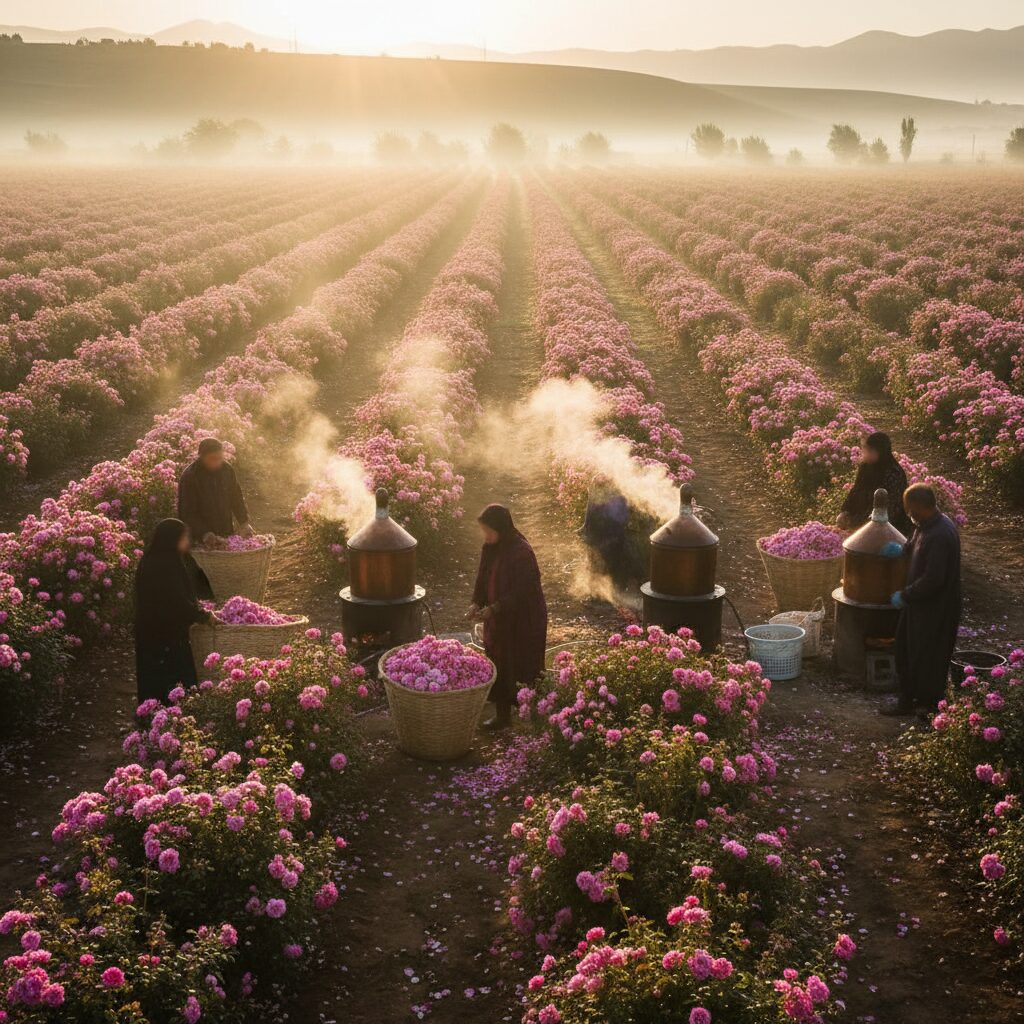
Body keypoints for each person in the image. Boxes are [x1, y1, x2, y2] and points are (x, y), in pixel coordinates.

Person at [883, 484, 962, 718]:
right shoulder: (926, 525)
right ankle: (907, 700)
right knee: (906, 650)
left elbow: (933, 579)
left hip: (937, 608)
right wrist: (902, 550)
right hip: (919, 605)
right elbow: (914, 543)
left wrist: (905, 595)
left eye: (910, 510)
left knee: (930, 657)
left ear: (920, 508)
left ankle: (929, 707)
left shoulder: (940, 534)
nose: (909, 515)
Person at [469, 504, 548, 729]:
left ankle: (537, 715)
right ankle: (502, 717)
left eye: (488, 530)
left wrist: (495, 608)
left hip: (524, 619)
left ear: (501, 528)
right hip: (500, 619)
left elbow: (524, 591)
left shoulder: (521, 552)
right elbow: (483, 578)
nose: (485, 535)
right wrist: (476, 603)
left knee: (526, 666)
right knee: (499, 664)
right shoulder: (491, 547)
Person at [134, 519, 214, 705]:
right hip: (164, 633)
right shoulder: (164, 565)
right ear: (172, 539)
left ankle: (154, 715)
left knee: (155, 680)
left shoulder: (155, 558)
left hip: (151, 631)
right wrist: (203, 615)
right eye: (184, 537)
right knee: (172, 678)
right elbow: (176, 601)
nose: (188, 541)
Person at [177, 438, 254, 548]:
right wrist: (204, 533)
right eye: (212, 459)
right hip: (200, 537)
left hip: (225, 530)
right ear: (201, 456)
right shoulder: (191, 476)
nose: (217, 462)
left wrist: (244, 522)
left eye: (219, 458)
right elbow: (187, 512)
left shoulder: (227, 470)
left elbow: (236, 497)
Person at [837, 432, 912, 535]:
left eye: (870, 450)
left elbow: (892, 507)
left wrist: (867, 526)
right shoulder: (865, 467)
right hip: (863, 519)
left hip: (889, 525)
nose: (866, 453)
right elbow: (856, 490)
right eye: (865, 449)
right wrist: (845, 511)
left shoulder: (894, 473)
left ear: (881, 452)